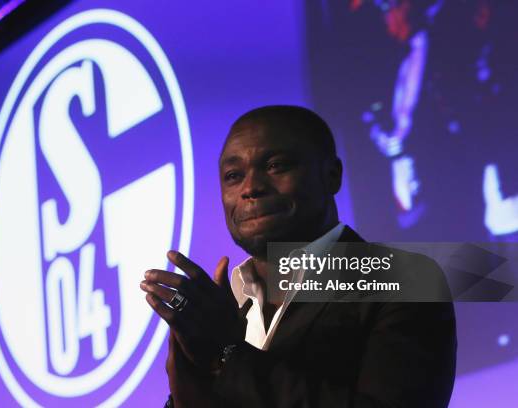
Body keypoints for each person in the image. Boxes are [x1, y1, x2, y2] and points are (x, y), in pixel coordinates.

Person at [140, 105, 457, 407]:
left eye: (276, 165)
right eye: (233, 176)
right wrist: (189, 378)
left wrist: (226, 355)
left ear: (331, 175)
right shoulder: (227, 304)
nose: (250, 188)